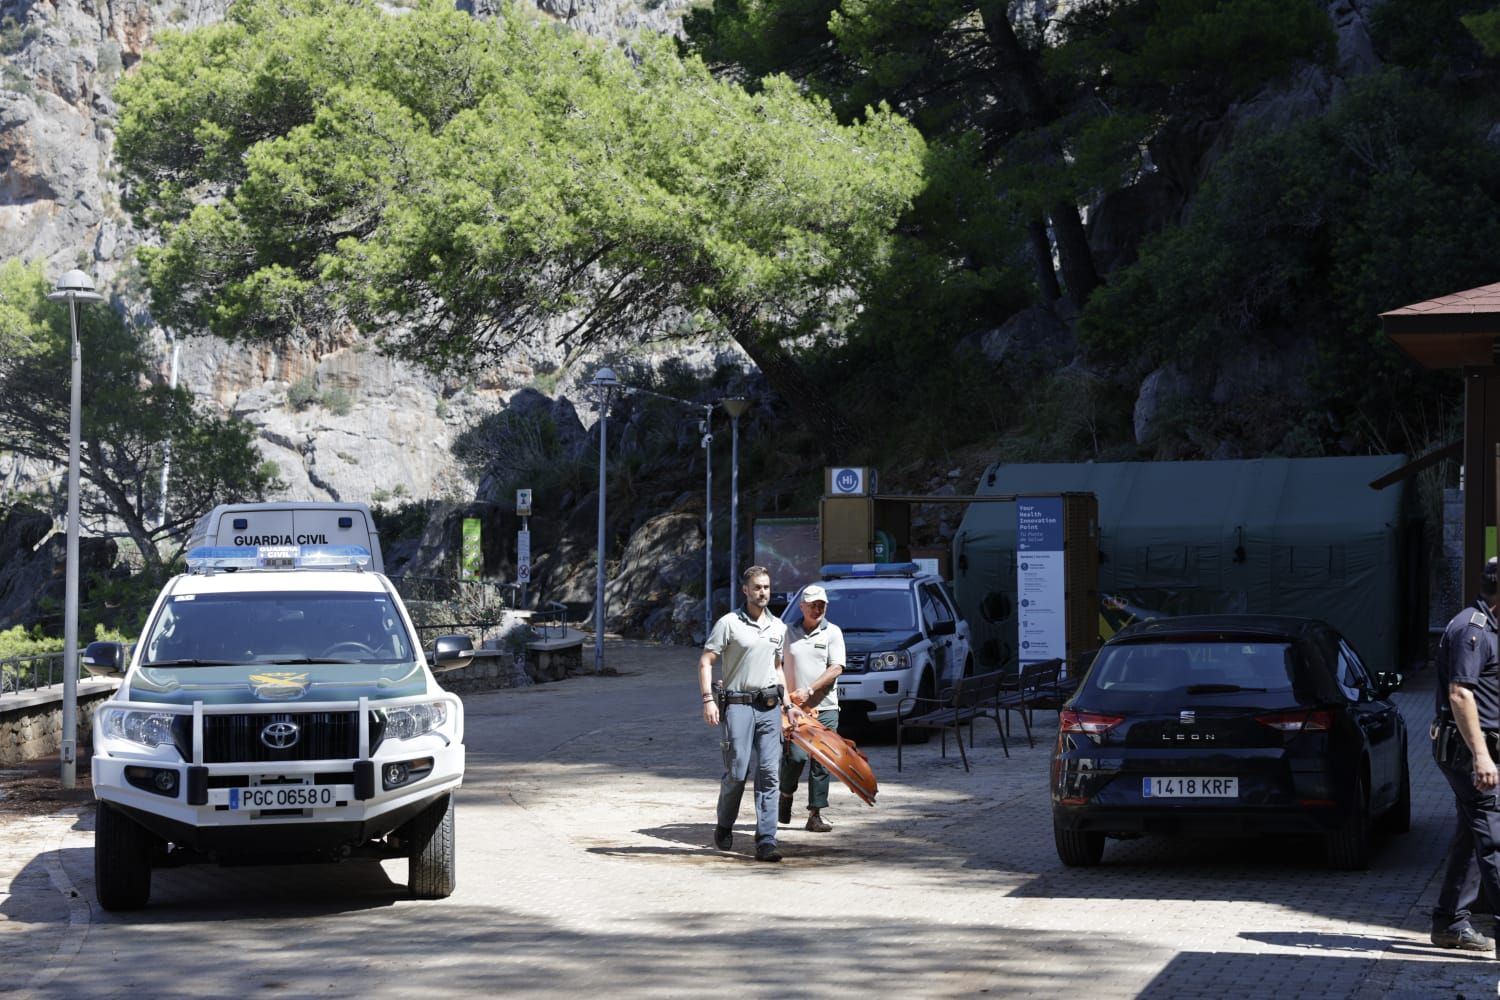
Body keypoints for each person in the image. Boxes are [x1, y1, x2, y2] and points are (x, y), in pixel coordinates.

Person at [699, 565, 797, 862]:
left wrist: (789, 705)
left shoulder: (779, 627)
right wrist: (708, 700)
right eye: (757, 587)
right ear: (745, 590)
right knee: (738, 772)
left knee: (769, 774)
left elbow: (778, 669)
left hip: (768, 707)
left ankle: (766, 839)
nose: (763, 592)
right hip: (738, 706)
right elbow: (706, 660)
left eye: (766, 587)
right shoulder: (729, 624)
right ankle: (724, 823)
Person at [1431, 556, 1500, 954]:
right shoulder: (1471, 631)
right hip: (1471, 753)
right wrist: (1481, 758)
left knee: (1471, 835)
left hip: (1480, 750)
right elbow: (1461, 694)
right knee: (1494, 841)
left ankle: (1449, 921)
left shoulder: (1488, 626)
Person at [779, 584, 846, 833]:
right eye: (813, 605)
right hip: (794, 709)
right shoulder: (786, 632)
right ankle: (785, 793)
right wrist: (785, 699)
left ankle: (815, 814)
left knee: (822, 762)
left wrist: (810, 689)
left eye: (822, 605)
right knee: (795, 758)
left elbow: (836, 667)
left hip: (825, 708)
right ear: (802, 606)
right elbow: (775, 665)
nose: (818, 609)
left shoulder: (833, 633)